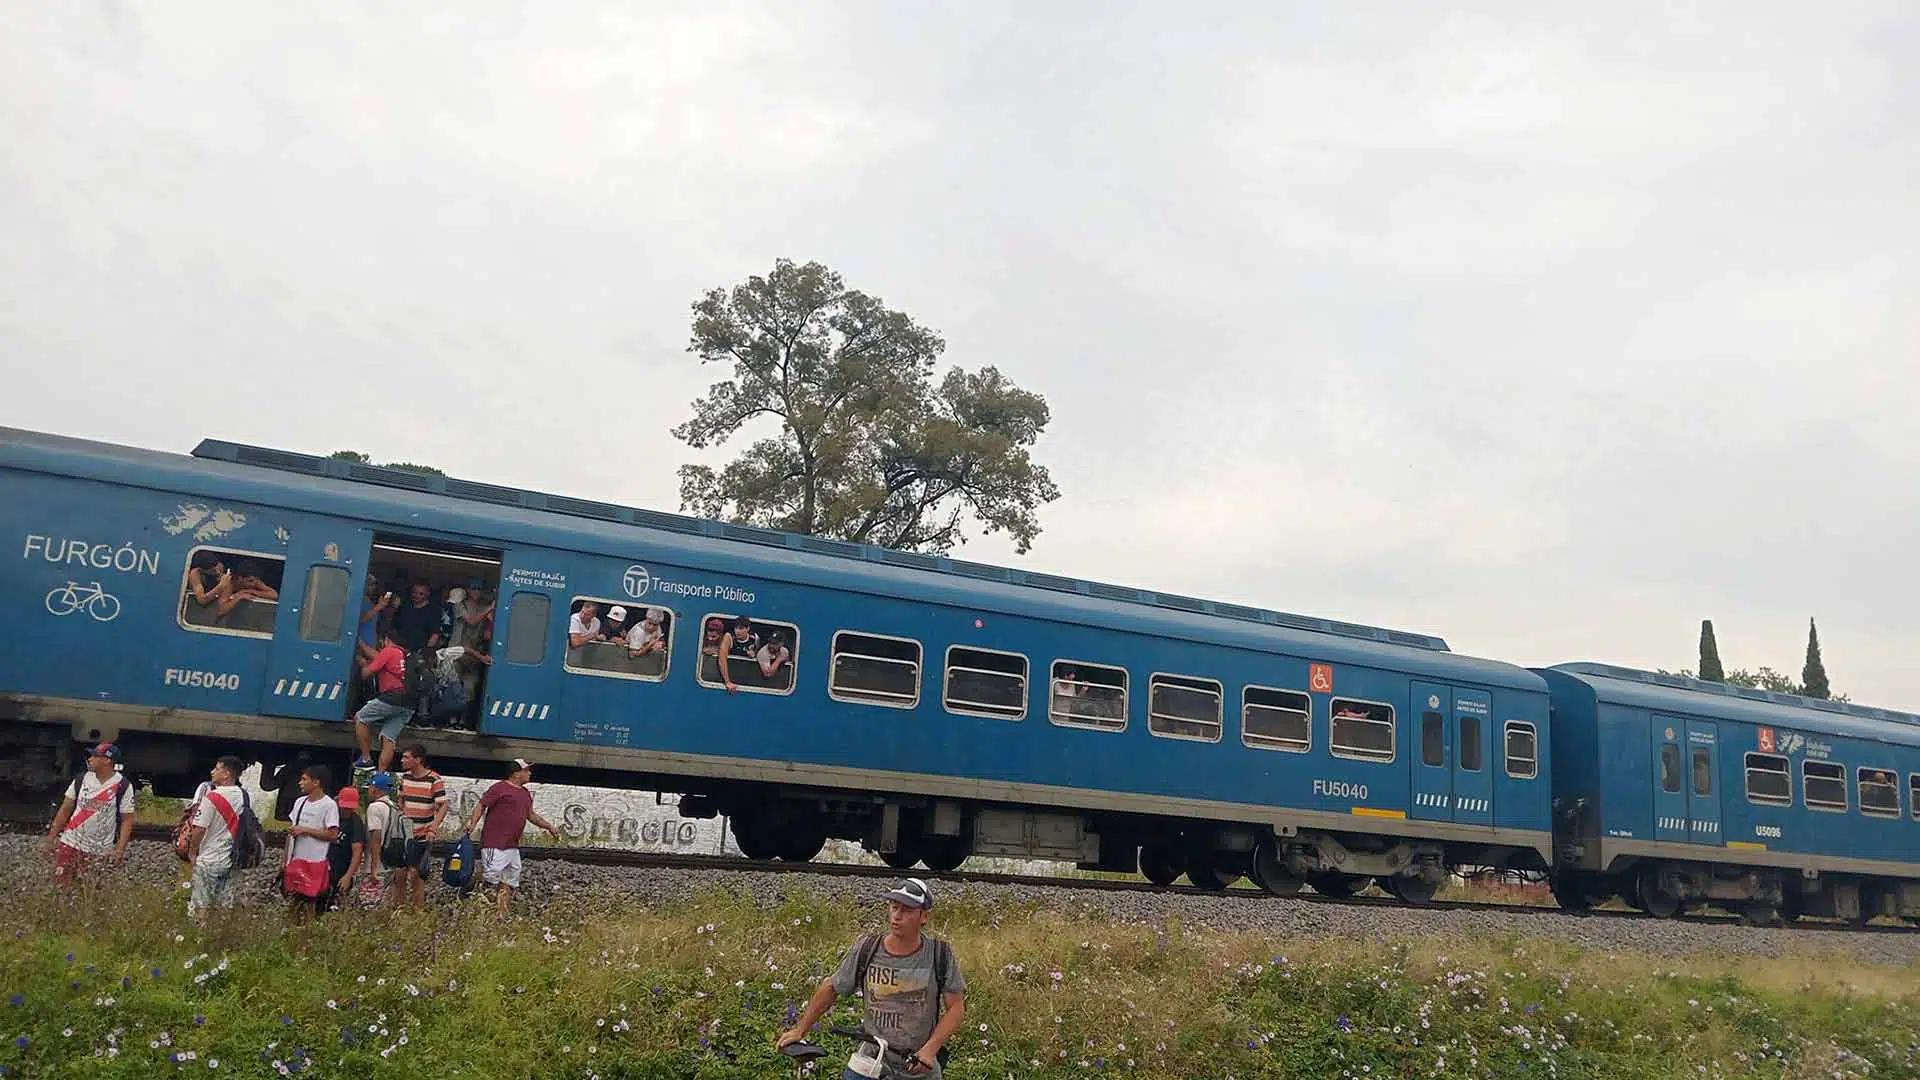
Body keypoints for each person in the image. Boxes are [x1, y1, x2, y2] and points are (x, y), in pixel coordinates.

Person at [777, 879, 966, 1077]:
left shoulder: (939, 954)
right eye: (894, 907)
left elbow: (956, 1007)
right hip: (870, 1062)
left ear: (924, 916)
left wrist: (930, 1050)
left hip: (918, 1067)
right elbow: (831, 987)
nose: (897, 916)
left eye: (907, 910)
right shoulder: (869, 948)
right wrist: (800, 1030)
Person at [461, 758, 561, 918]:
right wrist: (472, 823)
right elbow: (481, 805)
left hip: (512, 846)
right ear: (516, 774)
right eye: (526, 770)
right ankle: (473, 889)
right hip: (495, 843)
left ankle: (501, 914)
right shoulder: (499, 788)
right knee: (491, 878)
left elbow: (531, 815)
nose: (530, 773)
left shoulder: (525, 794)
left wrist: (549, 826)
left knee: (508, 880)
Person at [43, 742, 137, 887]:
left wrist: (119, 850)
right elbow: (65, 809)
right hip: (70, 843)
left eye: (95, 756)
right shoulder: (81, 779)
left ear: (107, 760)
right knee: (61, 887)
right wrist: (52, 837)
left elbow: (127, 820)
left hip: (100, 851)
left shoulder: (123, 786)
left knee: (89, 891)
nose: (90, 759)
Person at [184, 755, 249, 918]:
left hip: (210, 858)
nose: (212, 771)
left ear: (226, 773)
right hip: (233, 857)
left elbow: (199, 829)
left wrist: (192, 852)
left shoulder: (212, 797)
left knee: (201, 903)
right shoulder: (244, 796)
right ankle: (219, 934)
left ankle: (199, 938)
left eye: (217, 768)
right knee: (224, 903)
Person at [393, 745, 448, 912]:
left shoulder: (434, 779)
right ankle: (399, 909)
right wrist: (401, 814)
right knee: (399, 873)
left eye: (407, 757)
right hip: (405, 832)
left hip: (422, 832)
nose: (402, 760)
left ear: (418, 760)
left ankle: (418, 910)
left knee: (416, 874)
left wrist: (433, 827)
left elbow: (443, 804)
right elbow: (401, 798)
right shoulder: (406, 777)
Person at [352, 627, 413, 774]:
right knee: (388, 737)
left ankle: (366, 759)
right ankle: (380, 774)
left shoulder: (389, 651)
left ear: (386, 640)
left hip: (393, 697)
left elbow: (366, 673)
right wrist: (361, 644)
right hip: (410, 703)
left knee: (361, 717)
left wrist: (362, 664)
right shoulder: (404, 655)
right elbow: (377, 657)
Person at [284, 765, 340, 924]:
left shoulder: (328, 805)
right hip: (297, 859)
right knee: (294, 901)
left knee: (310, 901)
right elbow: (291, 832)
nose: (300, 783)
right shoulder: (299, 802)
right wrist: (285, 860)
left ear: (316, 782)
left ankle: (307, 934)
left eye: (304, 779)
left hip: (315, 861)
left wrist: (306, 830)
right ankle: (290, 932)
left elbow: (332, 834)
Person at [327, 786, 368, 913]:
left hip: (341, 870)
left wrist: (348, 876)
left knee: (335, 907)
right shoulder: (329, 815)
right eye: (344, 806)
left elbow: (357, 852)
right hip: (323, 867)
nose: (346, 810)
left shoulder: (355, 823)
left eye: (349, 807)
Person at [362, 772, 400, 907]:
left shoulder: (374, 807)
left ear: (375, 789)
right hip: (391, 863)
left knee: (369, 906)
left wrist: (373, 868)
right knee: (384, 905)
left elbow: (376, 836)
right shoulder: (395, 808)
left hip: (376, 865)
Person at [390, 582, 442, 651]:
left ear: (428, 594)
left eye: (421, 594)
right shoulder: (405, 606)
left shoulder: (433, 610)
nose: (417, 596)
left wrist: (427, 651)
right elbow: (393, 625)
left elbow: (435, 634)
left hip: (419, 650)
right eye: (414, 593)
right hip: (400, 647)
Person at [701, 617, 738, 693]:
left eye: (714, 636)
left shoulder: (726, 642)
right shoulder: (702, 639)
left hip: (718, 678)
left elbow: (723, 659)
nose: (710, 639)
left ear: (721, 635)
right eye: (709, 636)